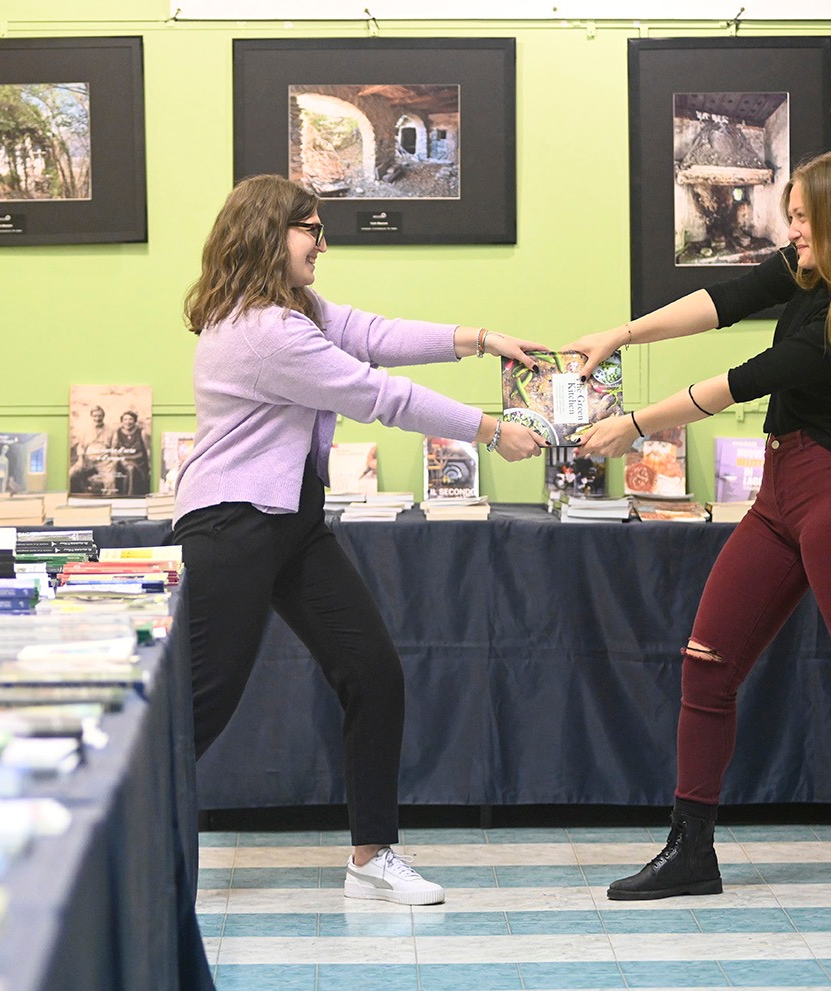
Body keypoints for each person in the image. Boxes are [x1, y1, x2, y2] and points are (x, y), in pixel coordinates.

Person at [565, 151, 831, 911]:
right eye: (789, 216)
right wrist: (618, 335)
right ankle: (691, 848)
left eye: (802, 218)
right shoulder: (808, 271)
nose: (791, 231)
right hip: (782, 495)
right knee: (706, 662)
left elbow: (735, 382)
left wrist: (632, 425)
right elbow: (722, 300)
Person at [173, 174, 546, 906]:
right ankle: (98, 831)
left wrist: (478, 339)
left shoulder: (294, 309)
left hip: (292, 521)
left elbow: (373, 335)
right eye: (311, 228)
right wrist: (492, 430)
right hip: (234, 525)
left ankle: (372, 853)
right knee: (201, 703)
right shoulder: (264, 331)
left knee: (373, 671)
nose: (322, 242)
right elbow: (378, 392)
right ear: (268, 232)